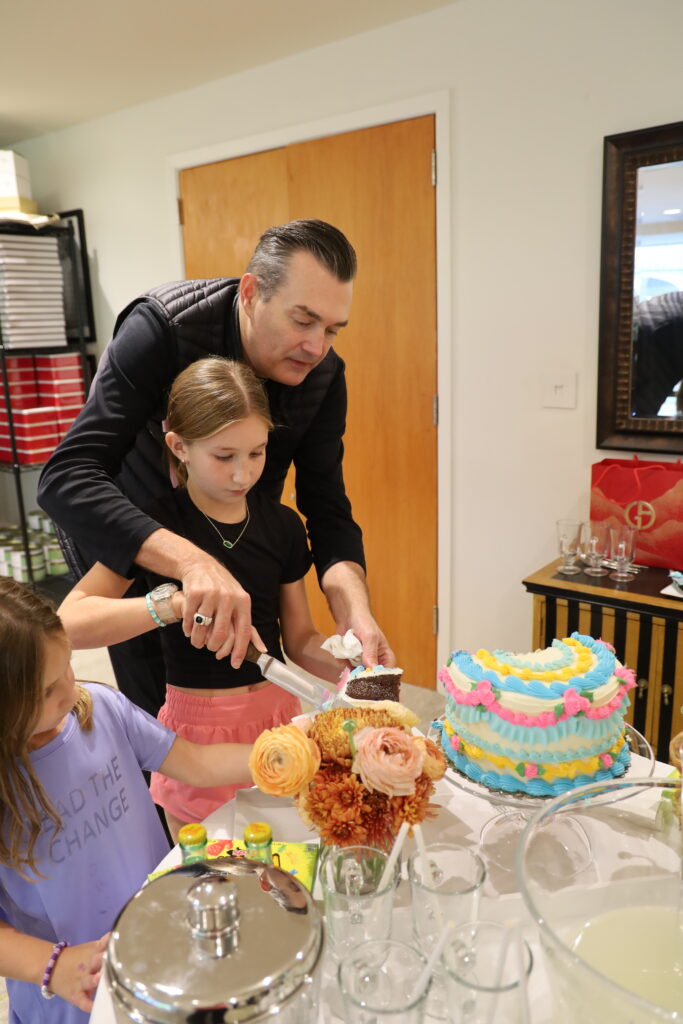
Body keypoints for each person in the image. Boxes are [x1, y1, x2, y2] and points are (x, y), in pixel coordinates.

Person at [38, 219, 395, 719]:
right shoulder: (163, 327)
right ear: (251, 293)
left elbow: (328, 508)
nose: (317, 347)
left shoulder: (324, 376)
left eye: (333, 329)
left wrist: (355, 615)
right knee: (160, 724)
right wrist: (190, 563)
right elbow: (67, 476)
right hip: (142, 540)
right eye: (302, 320)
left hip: (244, 547)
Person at [59, 357, 343, 841]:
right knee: (210, 877)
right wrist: (166, 606)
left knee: (288, 870)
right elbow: (68, 624)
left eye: (257, 453)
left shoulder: (282, 526)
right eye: (224, 455)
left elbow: (300, 639)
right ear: (179, 447)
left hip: (279, 720)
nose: (242, 474)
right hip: (195, 735)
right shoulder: (155, 527)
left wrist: (355, 670)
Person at [0, 579, 254, 1023]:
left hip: (162, 945)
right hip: (74, 992)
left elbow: (196, 763)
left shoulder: (100, 708)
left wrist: (286, 751)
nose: (69, 688)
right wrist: (55, 965)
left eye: (68, 667)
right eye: (45, 690)